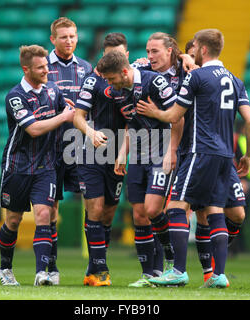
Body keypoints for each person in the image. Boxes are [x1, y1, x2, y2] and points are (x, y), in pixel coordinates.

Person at [137, 28, 250, 288]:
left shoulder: (196, 77)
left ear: (202, 49)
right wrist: (248, 154)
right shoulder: (236, 80)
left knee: (176, 208)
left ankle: (178, 270)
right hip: (226, 155)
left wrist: (155, 111)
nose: (190, 52)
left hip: (199, 151)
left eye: (194, 48)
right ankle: (218, 275)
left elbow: (173, 117)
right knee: (215, 210)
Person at [97, 50, 183, 288]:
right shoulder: (117, 91)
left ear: (124, 72)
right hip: (137, 154)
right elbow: (130, 123)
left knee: (153, 209)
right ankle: (150, 274)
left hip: (160, 151)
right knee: (139, 214)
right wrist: (123, 153)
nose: (109, 84)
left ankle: (171, 263)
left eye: (111, 78)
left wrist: (171, 151)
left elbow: (179, 117)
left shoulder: (153, 81)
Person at [0, 45, 75, 286]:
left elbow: (73, 112)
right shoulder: (15, 97)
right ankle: (5, 268)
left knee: (45, 214)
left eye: (47, 66)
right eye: (41, 68)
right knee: (13, 220)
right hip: (17, 166)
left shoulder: (53, 90)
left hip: (46, 166)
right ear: (26, 69)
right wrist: (64, 117)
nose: (47, 71)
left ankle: (43, 272)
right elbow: (33, 129)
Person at [73, 33, 128, 286]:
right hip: (92, 151)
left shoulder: (133, 81)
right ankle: (101, 269)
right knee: (94, 209)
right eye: (110, 54)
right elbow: (78, 116)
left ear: (126, 54)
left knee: (107, 214)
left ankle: (92, 266)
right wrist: (91, 132)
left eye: (119, 53)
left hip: (119, 154)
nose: (114, 58)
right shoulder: (92, 81)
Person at [47, 17, 93, 284]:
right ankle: (50, 266)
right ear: (53, 39)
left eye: (73, 36)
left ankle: (95, 265)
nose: (69, 41)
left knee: (92, 204)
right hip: (51, 148)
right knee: (50, 208)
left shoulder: (85, 68)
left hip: (80, 147)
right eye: (63, 37)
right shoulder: (42, 67)